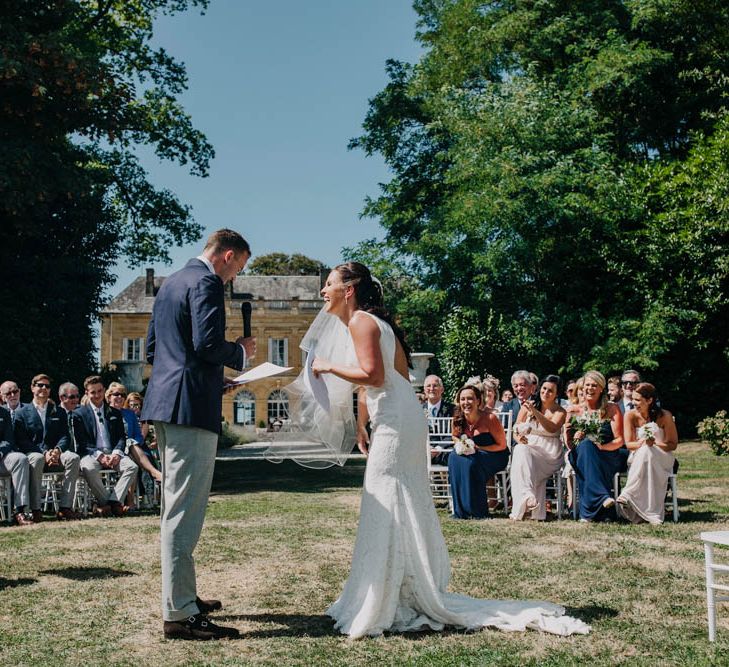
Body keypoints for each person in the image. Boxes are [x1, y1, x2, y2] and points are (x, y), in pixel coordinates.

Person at [310, 262, 588, 638]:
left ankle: (385, 597)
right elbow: (383, 378)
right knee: (397, 497)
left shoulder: (361, 321)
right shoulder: (372, 322)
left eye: (328, 284)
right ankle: (394, 590)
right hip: (400, 416)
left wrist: (328, 366)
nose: (322, 291)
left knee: (385, 495)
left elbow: (373, 376)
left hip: (396, 422)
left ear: (349, 290)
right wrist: (362, 421)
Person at [141, 228, 255, 641]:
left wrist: (211, 381)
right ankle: (180, 613)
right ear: (226, 255)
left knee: (176, 505)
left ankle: (183, 595)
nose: (233, 279)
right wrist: (240, 352)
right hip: (189, 410)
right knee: (184, 511)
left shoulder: (172, 282)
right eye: (237, 268)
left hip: (167, 405)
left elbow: (156, 351)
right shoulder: (206, 281)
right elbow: (208, 344)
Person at [13, 374, 80, 521]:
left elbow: (65, 436)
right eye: (40, 385)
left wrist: (57, 451)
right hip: (34, 453)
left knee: (73, 458)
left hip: (56, 453)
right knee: (36, 459)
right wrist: (44, 453)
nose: (43, 388)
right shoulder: (21, 413)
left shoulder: (58, 411)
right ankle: (36, 509)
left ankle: (65, 507)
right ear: (32, 387)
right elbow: (22, 441)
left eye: (47, 386)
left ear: (50, 391)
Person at [567, 371, 627, 522]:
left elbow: (620, 440)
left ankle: (587, 514)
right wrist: (570, 434)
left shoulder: (612, 409)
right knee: (586, 446)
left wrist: (602, 447)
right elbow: (569, 445)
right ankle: (603, 497)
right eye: (587, 385)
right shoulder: (573, 410)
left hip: (607, 453)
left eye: (594, 385)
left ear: (601, 389)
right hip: (580, 453)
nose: (590, 388)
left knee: (590, 459)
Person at [75, 375, 138, 517]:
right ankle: (111, 504)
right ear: (86, 393)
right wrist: (100, 456)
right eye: (93, 392)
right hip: (92, 454)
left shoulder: (114, 412)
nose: (97, 395)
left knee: (132, 467)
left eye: (99, 391)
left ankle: (112, 502)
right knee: (88, 468)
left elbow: (122, 437)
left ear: (104, 391)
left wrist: (116, 453)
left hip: (113, 452)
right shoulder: (79, 414)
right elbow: (81, 442)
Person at [617, 383, 678, 524]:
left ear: (649, 400)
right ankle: (643, 509)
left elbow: (672, 445)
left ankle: (628, 493)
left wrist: (655, 443)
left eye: (637, 400)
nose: (633, 402)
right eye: (633, 399)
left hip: (662, 456)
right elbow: (629, 444)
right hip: (638, 456)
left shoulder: (665, 415)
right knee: (645, 450)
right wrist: (642, 443)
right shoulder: (630, 415)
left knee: (648, 450)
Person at [447, 382, 509, 519]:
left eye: (470, 398)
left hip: (494, 454)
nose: (466, 402)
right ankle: (460, 510)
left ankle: (476, 510)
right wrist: (461, 444)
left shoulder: (490, 418)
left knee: (471, 463)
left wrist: (477, 447)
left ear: (478, 401)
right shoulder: (457, 418)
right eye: (462, 399)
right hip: (472, 454)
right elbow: (454, 436)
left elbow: (502, 445)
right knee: (453, 457)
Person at [509, 375, 566, 521]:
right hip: (529, 448)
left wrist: (534, 412)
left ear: (556, 394)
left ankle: (525, 502)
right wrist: (519, 438)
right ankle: (528, 497)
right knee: (520, 449)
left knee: (521, 454)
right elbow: (515, 429)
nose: (545, 393)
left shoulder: (560, 412)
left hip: (549, 453)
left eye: (550, 391)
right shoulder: (527, 406)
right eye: (544, 388)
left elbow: (552, 428)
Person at [106, 382, 162, 499]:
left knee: (134, 452)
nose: (120, 397)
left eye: (123, 395)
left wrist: (133, 441)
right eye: (116, 394)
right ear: (109, 396)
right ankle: (132, 497)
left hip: (134, 447)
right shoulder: (105, 413)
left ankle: (147, 495)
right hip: (113, 449)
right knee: (132, 454)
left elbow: (138, 435)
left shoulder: (129, 414)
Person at [0, 405, 32, 526]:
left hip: (2, 457)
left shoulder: (4, 412)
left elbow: (8, 440)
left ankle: (19, 510)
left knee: (20, 459)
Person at [423, 375, 454, 465]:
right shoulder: (418, 410)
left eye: (435, 385)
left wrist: (438, 448)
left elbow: (454, 433)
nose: (431, 389)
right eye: (428, 386)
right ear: (424, 390)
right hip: (423, 451)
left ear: (442, 390)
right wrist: (427, 448)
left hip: (444, 451)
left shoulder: (452, 409)